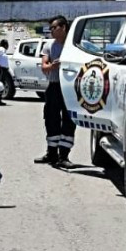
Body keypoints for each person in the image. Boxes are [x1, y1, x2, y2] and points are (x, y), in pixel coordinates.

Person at [35, 16, 74, 167]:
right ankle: (51, 154)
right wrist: (53, 66)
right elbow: (44, 67)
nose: (51, 31)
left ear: (63, 27)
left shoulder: (74, 45)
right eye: (50, 28)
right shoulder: (49, 46)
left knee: (69, 121)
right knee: (51, 119)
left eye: (54, 28)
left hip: (69, 88)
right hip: (54, 86)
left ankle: (63, 156)